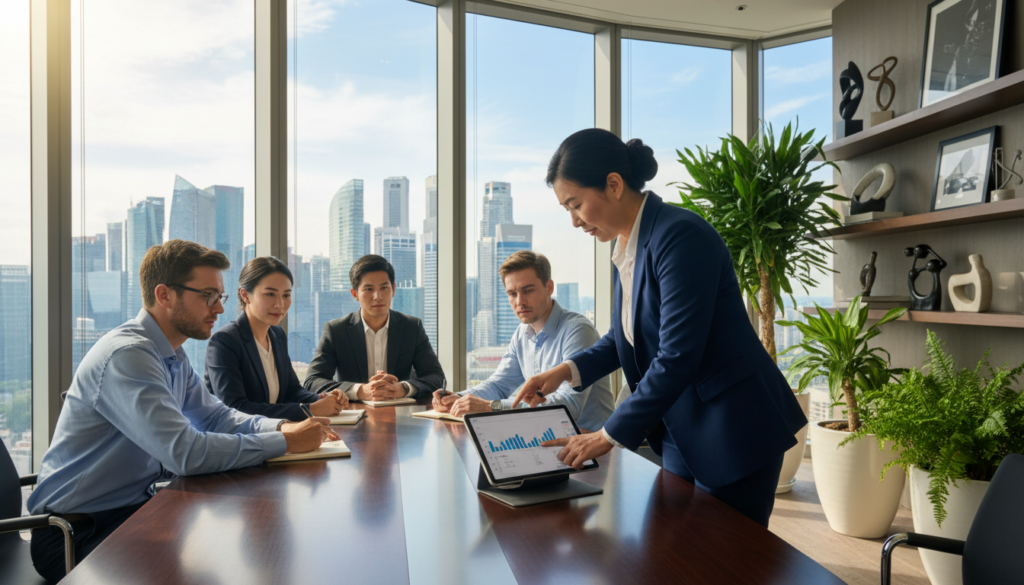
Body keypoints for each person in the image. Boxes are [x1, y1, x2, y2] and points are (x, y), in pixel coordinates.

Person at [512, 129, 807, 528]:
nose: (574, 221)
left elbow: (677, 355)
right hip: (682, 431)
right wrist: (562, 372)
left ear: (613, 185)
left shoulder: (680, 236)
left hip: (733, 430)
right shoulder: (626, 248)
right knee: (674, 557)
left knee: (729, 565)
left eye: (576, 204)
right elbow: (625, 339)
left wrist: (604, 436)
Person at [27, 240, 337, 582]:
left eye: (220, 296)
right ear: (165, 295)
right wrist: (287, 443)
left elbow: (218, 416)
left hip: (134, 512)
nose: (219, 309)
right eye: (208, 295)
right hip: (75, 534)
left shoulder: (172, 355)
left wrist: (281, 429)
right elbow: (184, 453)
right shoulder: (128, 355)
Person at [432, 251, 613, 431]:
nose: (520, 302)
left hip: (594, 446)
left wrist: (491, 407)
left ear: (549, 287)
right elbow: (499, 384)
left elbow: (568, 406)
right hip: (545, 437)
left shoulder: (578, 331)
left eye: (528, 291)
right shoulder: (522, 333)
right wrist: (458, 398)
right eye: (512, 293)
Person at [205, 256, 347, 420]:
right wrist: (310, 409)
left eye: (286, 295)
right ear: (245, 295)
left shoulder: (276, 335)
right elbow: (236, 409)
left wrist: (322, 399)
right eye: (270, 294)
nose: (280, 304)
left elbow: (292, 391)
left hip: (278, 435)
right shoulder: (224, 341)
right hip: (241, 441)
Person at [303, 255, 444, 401]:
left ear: (393, 289)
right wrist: (360, 390)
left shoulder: (412, 327)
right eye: (369, 289)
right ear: (355, 294)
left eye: (384, 288)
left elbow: (436, 377)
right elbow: (312, 381)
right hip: (353, 415)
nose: (378, 296)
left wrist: (403, 388)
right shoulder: (336, 330)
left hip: (402, 413)